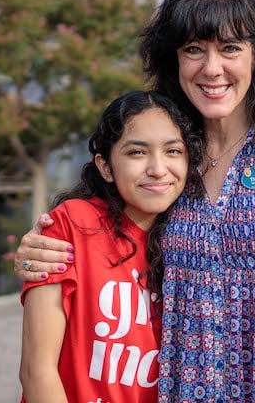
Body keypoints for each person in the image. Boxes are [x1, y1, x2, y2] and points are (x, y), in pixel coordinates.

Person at [16, 0, 255, 402]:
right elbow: (102, 233)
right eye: (193, 49)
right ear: (173, 59)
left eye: (230, 48)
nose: (212, 68)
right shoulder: (169, 168)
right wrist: (38, 250)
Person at [19, 90, 203, 403]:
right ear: (105, 166)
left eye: (173, 151)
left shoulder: (190, 240)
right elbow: (37, 370)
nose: (158, 169)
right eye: (137, 153)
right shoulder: (73, 224)